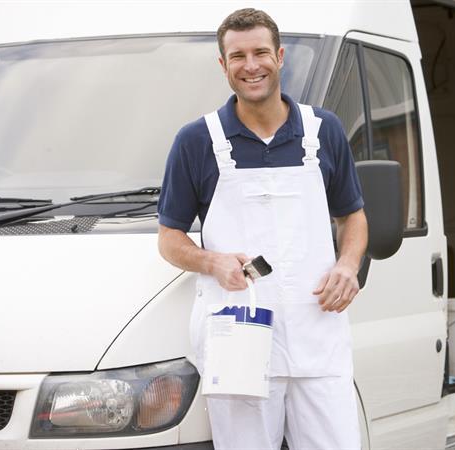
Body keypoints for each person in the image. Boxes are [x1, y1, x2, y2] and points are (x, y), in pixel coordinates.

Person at [157, 8, 368, 450]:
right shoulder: (195, 141)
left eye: (259, 53)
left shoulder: (322, 131)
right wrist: (211, 261)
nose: (250, 66)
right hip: (239, 342)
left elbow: (352, 215)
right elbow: (170, 239)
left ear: (280, 56)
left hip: (318, 335)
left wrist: (348, 264)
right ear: (223, 64)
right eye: (237, 56)